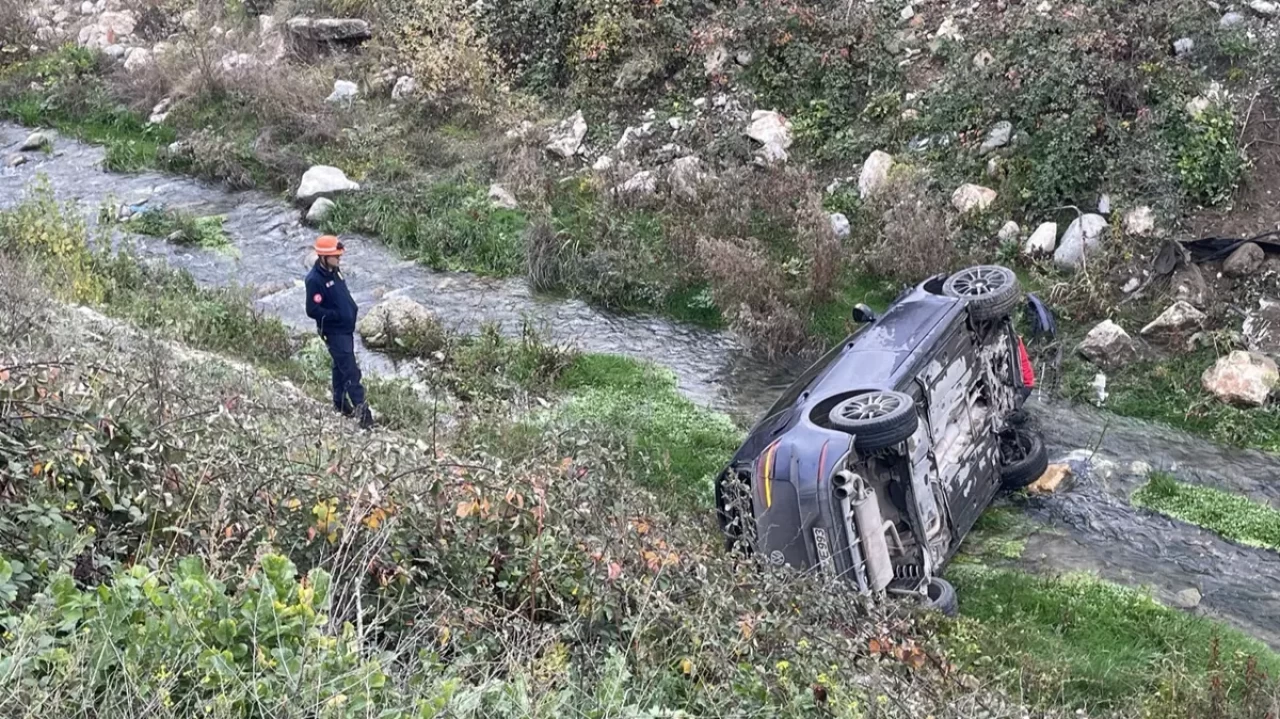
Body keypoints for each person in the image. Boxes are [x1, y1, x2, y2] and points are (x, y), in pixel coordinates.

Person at [305, 235, 373, 429]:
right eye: (336, 256)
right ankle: (363, 413)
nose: (339, 259)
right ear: (324, 257)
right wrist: (336, 315)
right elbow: (312, 310)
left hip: (345, 329)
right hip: (334, 331)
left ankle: (340, 402)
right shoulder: (314, 280)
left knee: (340, 366)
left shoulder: (335, 271)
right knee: (351, 370)